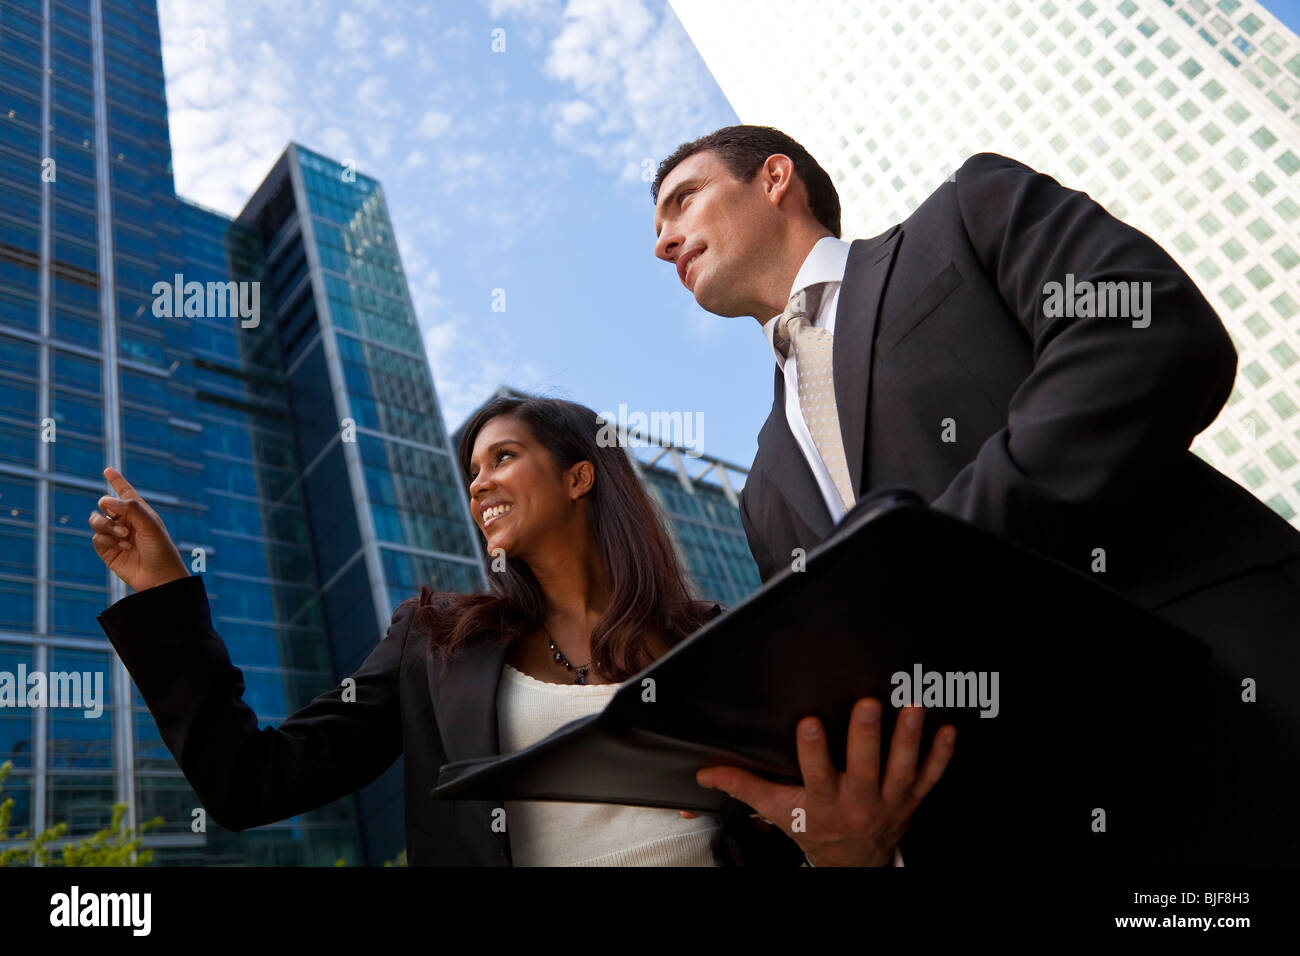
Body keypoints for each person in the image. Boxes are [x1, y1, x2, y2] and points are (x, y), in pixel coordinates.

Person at [650, 124, 1300, 863]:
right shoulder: (762, 484)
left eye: (683, 201)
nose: (664, 243)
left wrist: (928, 565)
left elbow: (1140, 326)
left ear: (774, 179)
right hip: (1011, 828)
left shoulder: (963, 215)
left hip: (1222, 721)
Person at [90, 395, 955, 866]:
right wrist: (165, 596)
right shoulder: (436, 644)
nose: (478, 484)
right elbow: (252, 783)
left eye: (502, 457)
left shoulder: (717, 640)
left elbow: (806, 818)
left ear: (580, 475)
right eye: (471, 471)